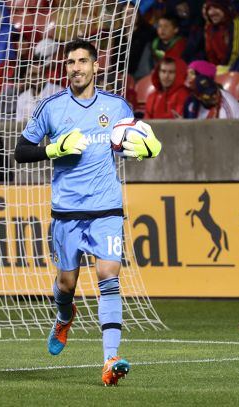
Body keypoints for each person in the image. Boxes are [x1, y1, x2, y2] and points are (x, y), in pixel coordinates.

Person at [14, 39, 162, 386]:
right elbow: (20, 151)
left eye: (82, 61)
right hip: (66, 211)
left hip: (106, 208)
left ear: (96, 66)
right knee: (67, 284)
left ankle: (111, 359)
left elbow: (135, 142)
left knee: (109, 275)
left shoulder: (117, 106)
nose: (76, 68)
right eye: (70, 62)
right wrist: (53, 148)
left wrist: (151, 147)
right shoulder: (51, 107)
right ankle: (64, 316)